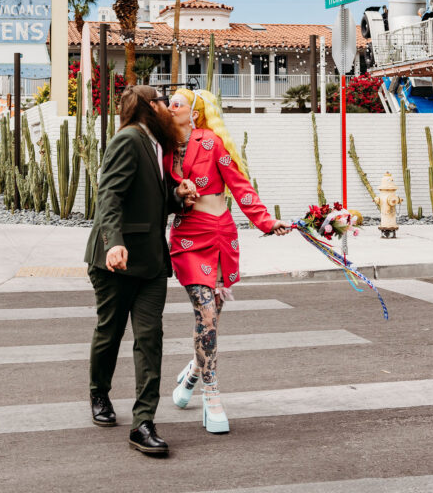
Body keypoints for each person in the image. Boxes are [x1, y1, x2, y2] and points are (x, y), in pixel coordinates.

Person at [165, 88, 291, 434]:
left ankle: (192, 374)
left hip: (221, 239)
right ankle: (212, 395)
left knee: (210, 323)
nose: (170, 106)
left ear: (194, 112)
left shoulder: (211, 142)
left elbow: (239, 185)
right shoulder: (161, 148)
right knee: (205, 314)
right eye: (168, 101)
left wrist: (267, 221)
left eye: (177, 102)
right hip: (189, 240)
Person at [84, 85, 196, 457]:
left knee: (150, 339)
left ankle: (142, 423)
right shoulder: (129, 139)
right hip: (115, 260)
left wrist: (177, 196)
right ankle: (99, 393)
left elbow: (156, 197)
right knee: (110, 333)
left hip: (150, 262)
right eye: (165, 102)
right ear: (152, 107)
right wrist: (114, 241)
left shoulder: (156, 144)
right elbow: (109, 194)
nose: (170, 108)